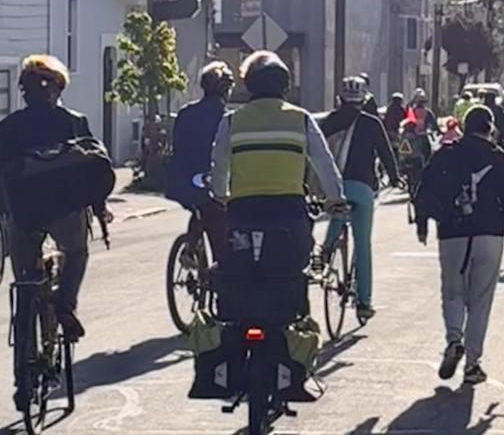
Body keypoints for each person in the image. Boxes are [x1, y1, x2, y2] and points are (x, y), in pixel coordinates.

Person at [0, 55, 112, 349]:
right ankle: (65, 304)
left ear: (24, 91)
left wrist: (8, 214)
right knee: (76, 252)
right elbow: (92, 172)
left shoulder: (6, 129)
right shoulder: (74, 122)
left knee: (25, 280)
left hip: (23, 213)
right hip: (66, 210)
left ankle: (24, 356)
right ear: (58, 90)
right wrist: (100, 210)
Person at [210, 50, 344, 280]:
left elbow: (219, 163)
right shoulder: (301, 119)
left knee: (238, 264)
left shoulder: (232, 121)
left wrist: (221, 194)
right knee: (295, 262)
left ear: (249, 84)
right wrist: (335, 198)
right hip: (288, 209)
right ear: (285, 85)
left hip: (244, 209)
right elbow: (324, 161)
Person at [415, 106, 504, 385]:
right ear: (490, 128)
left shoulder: (446, 154)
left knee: (452, 292)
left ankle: (454, 339)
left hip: (453, 233)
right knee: (480, 300)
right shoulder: (497, 158)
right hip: (490, 234)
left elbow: (425, 187)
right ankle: (473, 364)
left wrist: (423, 222)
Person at [319, 77, 400, 320]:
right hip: (363, 189)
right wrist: (395, 179)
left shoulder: (329, 122)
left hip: (335, 187)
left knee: (337, 216)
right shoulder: (372, 123)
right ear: (364, 99)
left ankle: (325, 254)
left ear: (340, 98)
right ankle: (364, 302)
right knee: (362, 245)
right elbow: (386, 155)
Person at [164, 61, 234, 262]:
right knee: (218, 220)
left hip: (180, 181)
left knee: (200, 208)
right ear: (225, 90)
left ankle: (191, 246)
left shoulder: (185, 113)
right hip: (211, 180)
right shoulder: (226, 117)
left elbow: (177, 147)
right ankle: (218, 268)